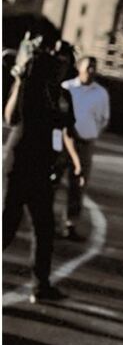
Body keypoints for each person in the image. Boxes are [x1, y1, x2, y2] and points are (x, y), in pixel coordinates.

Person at [3, 26, 85, 303]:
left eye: (66, 63)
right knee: (7, 225)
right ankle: (41, 285)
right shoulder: (33, 84)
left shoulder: (63, 96)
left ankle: (41, 286)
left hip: (40, 168)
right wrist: (20, 79)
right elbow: (10, 117)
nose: (63, 66)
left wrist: (74, 162)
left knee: (44, 228)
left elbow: (66, 132)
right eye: (59, 61)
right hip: (18, 163)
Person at [59, 55, 110, 240]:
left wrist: (91, 131)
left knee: (78, 184)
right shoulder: (67, 88)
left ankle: (70, 224)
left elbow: (104, 118)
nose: (91, 71)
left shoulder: (101, 93)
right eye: (88, 67)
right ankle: (43, 219)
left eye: (94, 68)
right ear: (79, 67)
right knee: (52, 180)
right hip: (63, 142)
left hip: (85, 143)